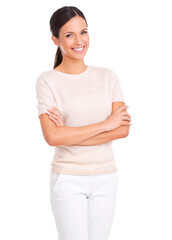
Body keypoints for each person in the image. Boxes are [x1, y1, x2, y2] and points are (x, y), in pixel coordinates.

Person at [35, 6, 131, 240]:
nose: (79, 41)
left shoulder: (108, 76)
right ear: (55, 39)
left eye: (84, 32)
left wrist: (70, 133)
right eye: (69, 35)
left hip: (106, 176)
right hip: (68, 178)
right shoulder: (48, 81)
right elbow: (53, 137)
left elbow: (123, 129)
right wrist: (105, 124)